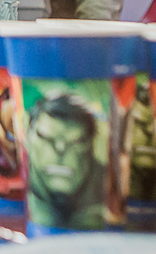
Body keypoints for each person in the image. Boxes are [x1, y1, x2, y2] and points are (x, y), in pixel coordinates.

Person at [24, 93, 106, 231]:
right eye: (46, 137)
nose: (60, 150)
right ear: (29, 138)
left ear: (91, 145)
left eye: (77, 141)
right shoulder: (20, 179)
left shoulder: (108, 183)